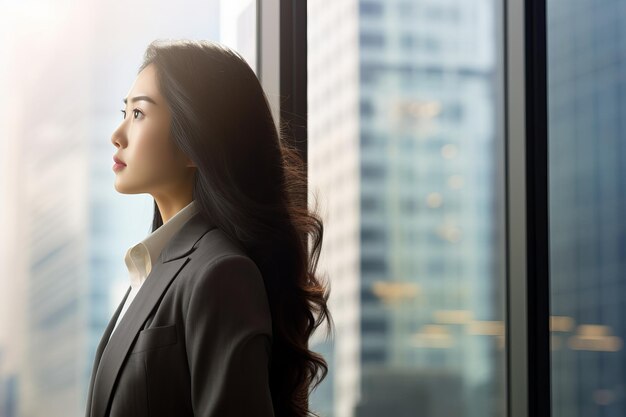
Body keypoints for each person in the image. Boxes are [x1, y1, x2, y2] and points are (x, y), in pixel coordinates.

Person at [85, 39, 333, 417]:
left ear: (193, 139)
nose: (117, 135)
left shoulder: (220, 272)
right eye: (125, 111)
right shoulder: (152, 270)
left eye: (138, 114)